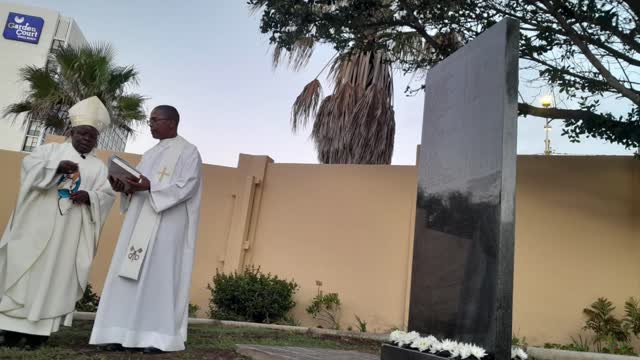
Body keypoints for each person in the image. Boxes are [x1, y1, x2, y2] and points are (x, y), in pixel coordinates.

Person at [0, 96, 115, 349]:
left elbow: (106, 196)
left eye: (92, 136)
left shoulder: (98, 167)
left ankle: (37, 336)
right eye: (83, 133)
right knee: (22, 272)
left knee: (54, 278)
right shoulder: (49, 151)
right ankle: (7, 331)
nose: (87, 139)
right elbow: (29, 169)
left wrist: (90, 196)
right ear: (72, 131)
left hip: (68, 235)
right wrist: (55, 168)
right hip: (34, 227)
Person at [90, 105, 202, 354]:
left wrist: (151, 187)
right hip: (139, 222)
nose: (149, 124)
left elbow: (188, 186)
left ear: (171, 123)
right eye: (150, 120)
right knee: (128, 275)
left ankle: (156, 337)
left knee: (158, 277)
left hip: (167, 225)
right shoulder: (150, 153)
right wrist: (124, 186)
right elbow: (138, 184)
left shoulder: (188, 151)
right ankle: (119, 333)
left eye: (155, 120)